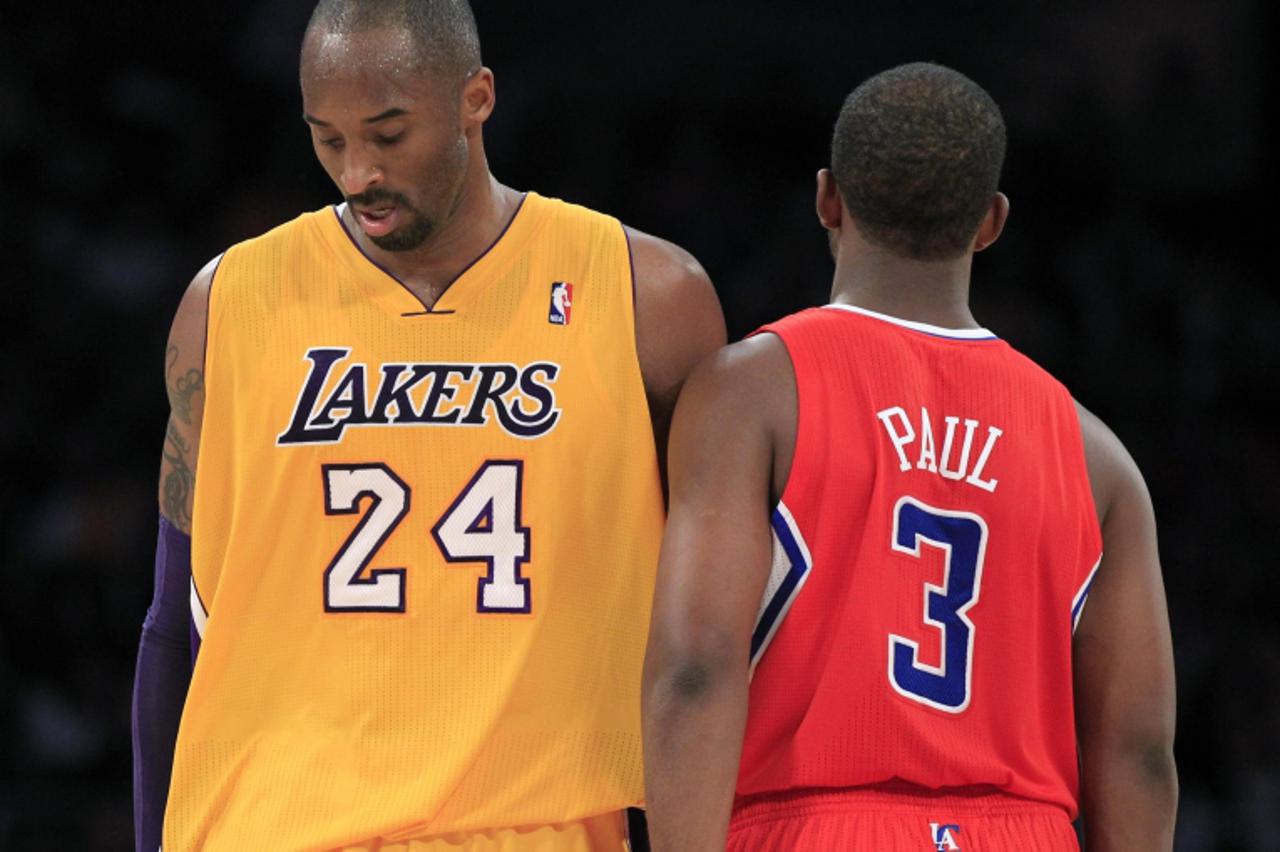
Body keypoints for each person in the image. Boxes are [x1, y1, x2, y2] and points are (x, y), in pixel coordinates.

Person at [131, 1, 725, 849]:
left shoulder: (645, 295)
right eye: (328, 140)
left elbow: (715, 627)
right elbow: (170, 620)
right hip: (268, 824)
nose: (357, 172)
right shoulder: (225, 303)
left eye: (388, 133)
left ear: (476, 98)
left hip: (542, 823)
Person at [641, 62, 1177, 851]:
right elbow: (1138, 750)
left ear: (828, 198)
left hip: (815, 824)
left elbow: (696, 669)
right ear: (990, 222)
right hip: (1023, 831)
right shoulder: (1098, 456)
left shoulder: (751, 391)